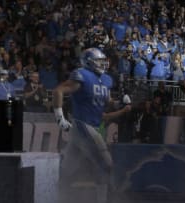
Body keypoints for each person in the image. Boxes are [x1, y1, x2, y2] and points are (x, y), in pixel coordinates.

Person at [52, 48, 131, 203]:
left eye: (103, 61)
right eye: (99, 61)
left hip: (91, 127)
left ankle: (58, 197)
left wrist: (121, 102)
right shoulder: (82, 75)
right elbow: (58, 91)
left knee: (67, 170)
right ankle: (102, 200)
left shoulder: (106, 79)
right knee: (106, 163)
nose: (103, 64)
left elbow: (108, 102)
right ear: (88, 61)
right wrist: (59, 118)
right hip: (83, 124)